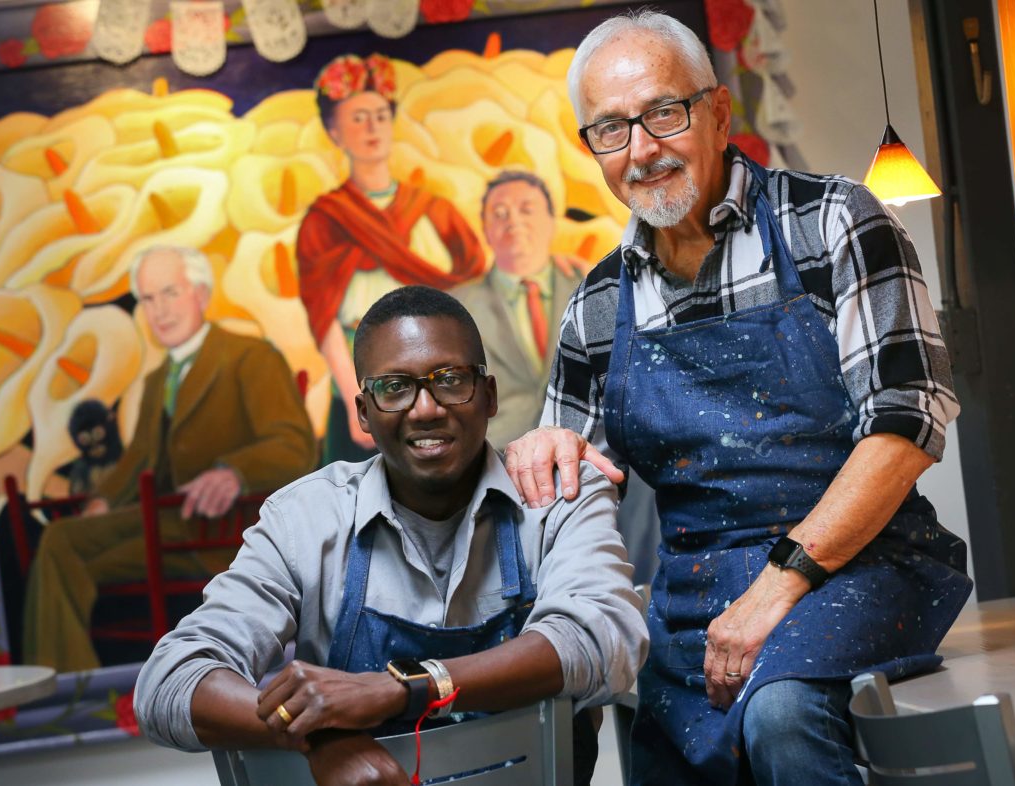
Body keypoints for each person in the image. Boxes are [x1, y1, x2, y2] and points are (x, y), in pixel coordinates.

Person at [503, 10, 974, 785]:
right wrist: (543, 456)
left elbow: (905, 425)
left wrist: (776, 586)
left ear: (718, 113)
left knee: (781, 713)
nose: (643, 151)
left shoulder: (832, 223)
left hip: (861, 565)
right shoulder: (595, 305)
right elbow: (573, 488)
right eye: (611, 130)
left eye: (663, 112)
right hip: (691, 603)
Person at [135, 286, 647, 786]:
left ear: (488, 396)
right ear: (362, 413)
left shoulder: (557, 493)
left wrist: (402, 689)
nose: (425, 408)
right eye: (394, 387)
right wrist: (318, 737)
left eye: (449, 379)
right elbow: (170, 681)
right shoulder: (304, 520)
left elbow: (602, 639)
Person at [22, 246, 317, 673]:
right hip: (169, 525)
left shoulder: (250, 356)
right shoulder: (158, 378)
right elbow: (140, 461)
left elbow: (294, 444)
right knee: (64, 547)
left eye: (169, 293)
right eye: (148, 299)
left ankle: (72, 687)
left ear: (199, 294)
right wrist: (103, 500)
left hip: (226, 533)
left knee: (63, 546)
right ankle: (73, 681)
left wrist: (234, 473)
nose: (159, 310)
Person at [297, 53, 485, 464]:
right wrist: (354, 400)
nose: (372, 127)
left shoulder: (433, 210)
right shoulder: (324, 220)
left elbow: (475, 285)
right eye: (358, 117)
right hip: (362, 387)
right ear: (334, 131)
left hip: (439, 388)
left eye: (380, 116)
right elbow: (324, 318)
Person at [453, 171, 582, 449]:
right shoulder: (455, 309)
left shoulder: (590, 288)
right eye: (499, 213)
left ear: (551, 222)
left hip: (590, 453)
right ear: (485, 230)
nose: (513, 220)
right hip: (496, 458)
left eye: (526, 210)